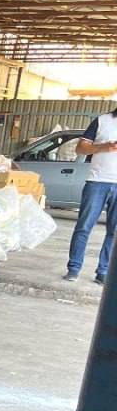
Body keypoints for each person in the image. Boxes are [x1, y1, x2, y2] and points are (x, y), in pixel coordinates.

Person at [64, 107, 117, 284]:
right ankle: (74, 268)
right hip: (97, 181)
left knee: (114, 232)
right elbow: (80, 148)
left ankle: (104, 271)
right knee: (84, 227)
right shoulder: (102, 121)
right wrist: (104, 146)